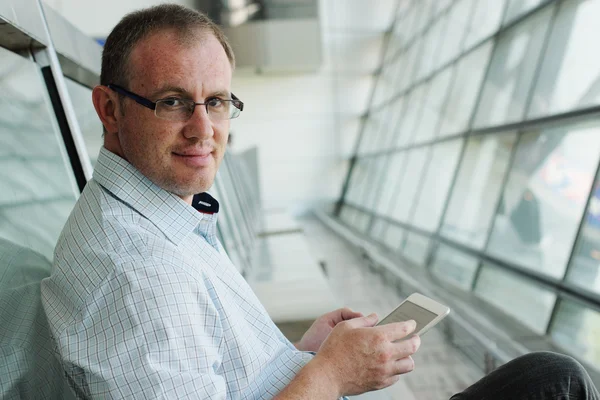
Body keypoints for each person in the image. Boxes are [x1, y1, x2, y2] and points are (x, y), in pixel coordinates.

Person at [41, 4, 599, 399]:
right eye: (171, 102)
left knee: (549, 376)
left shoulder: (153, 218)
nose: (202, 128)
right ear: (109, 109)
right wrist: (331, 375)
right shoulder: (133, 271)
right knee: (555, 382)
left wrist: (304, 353)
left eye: (216, 102)